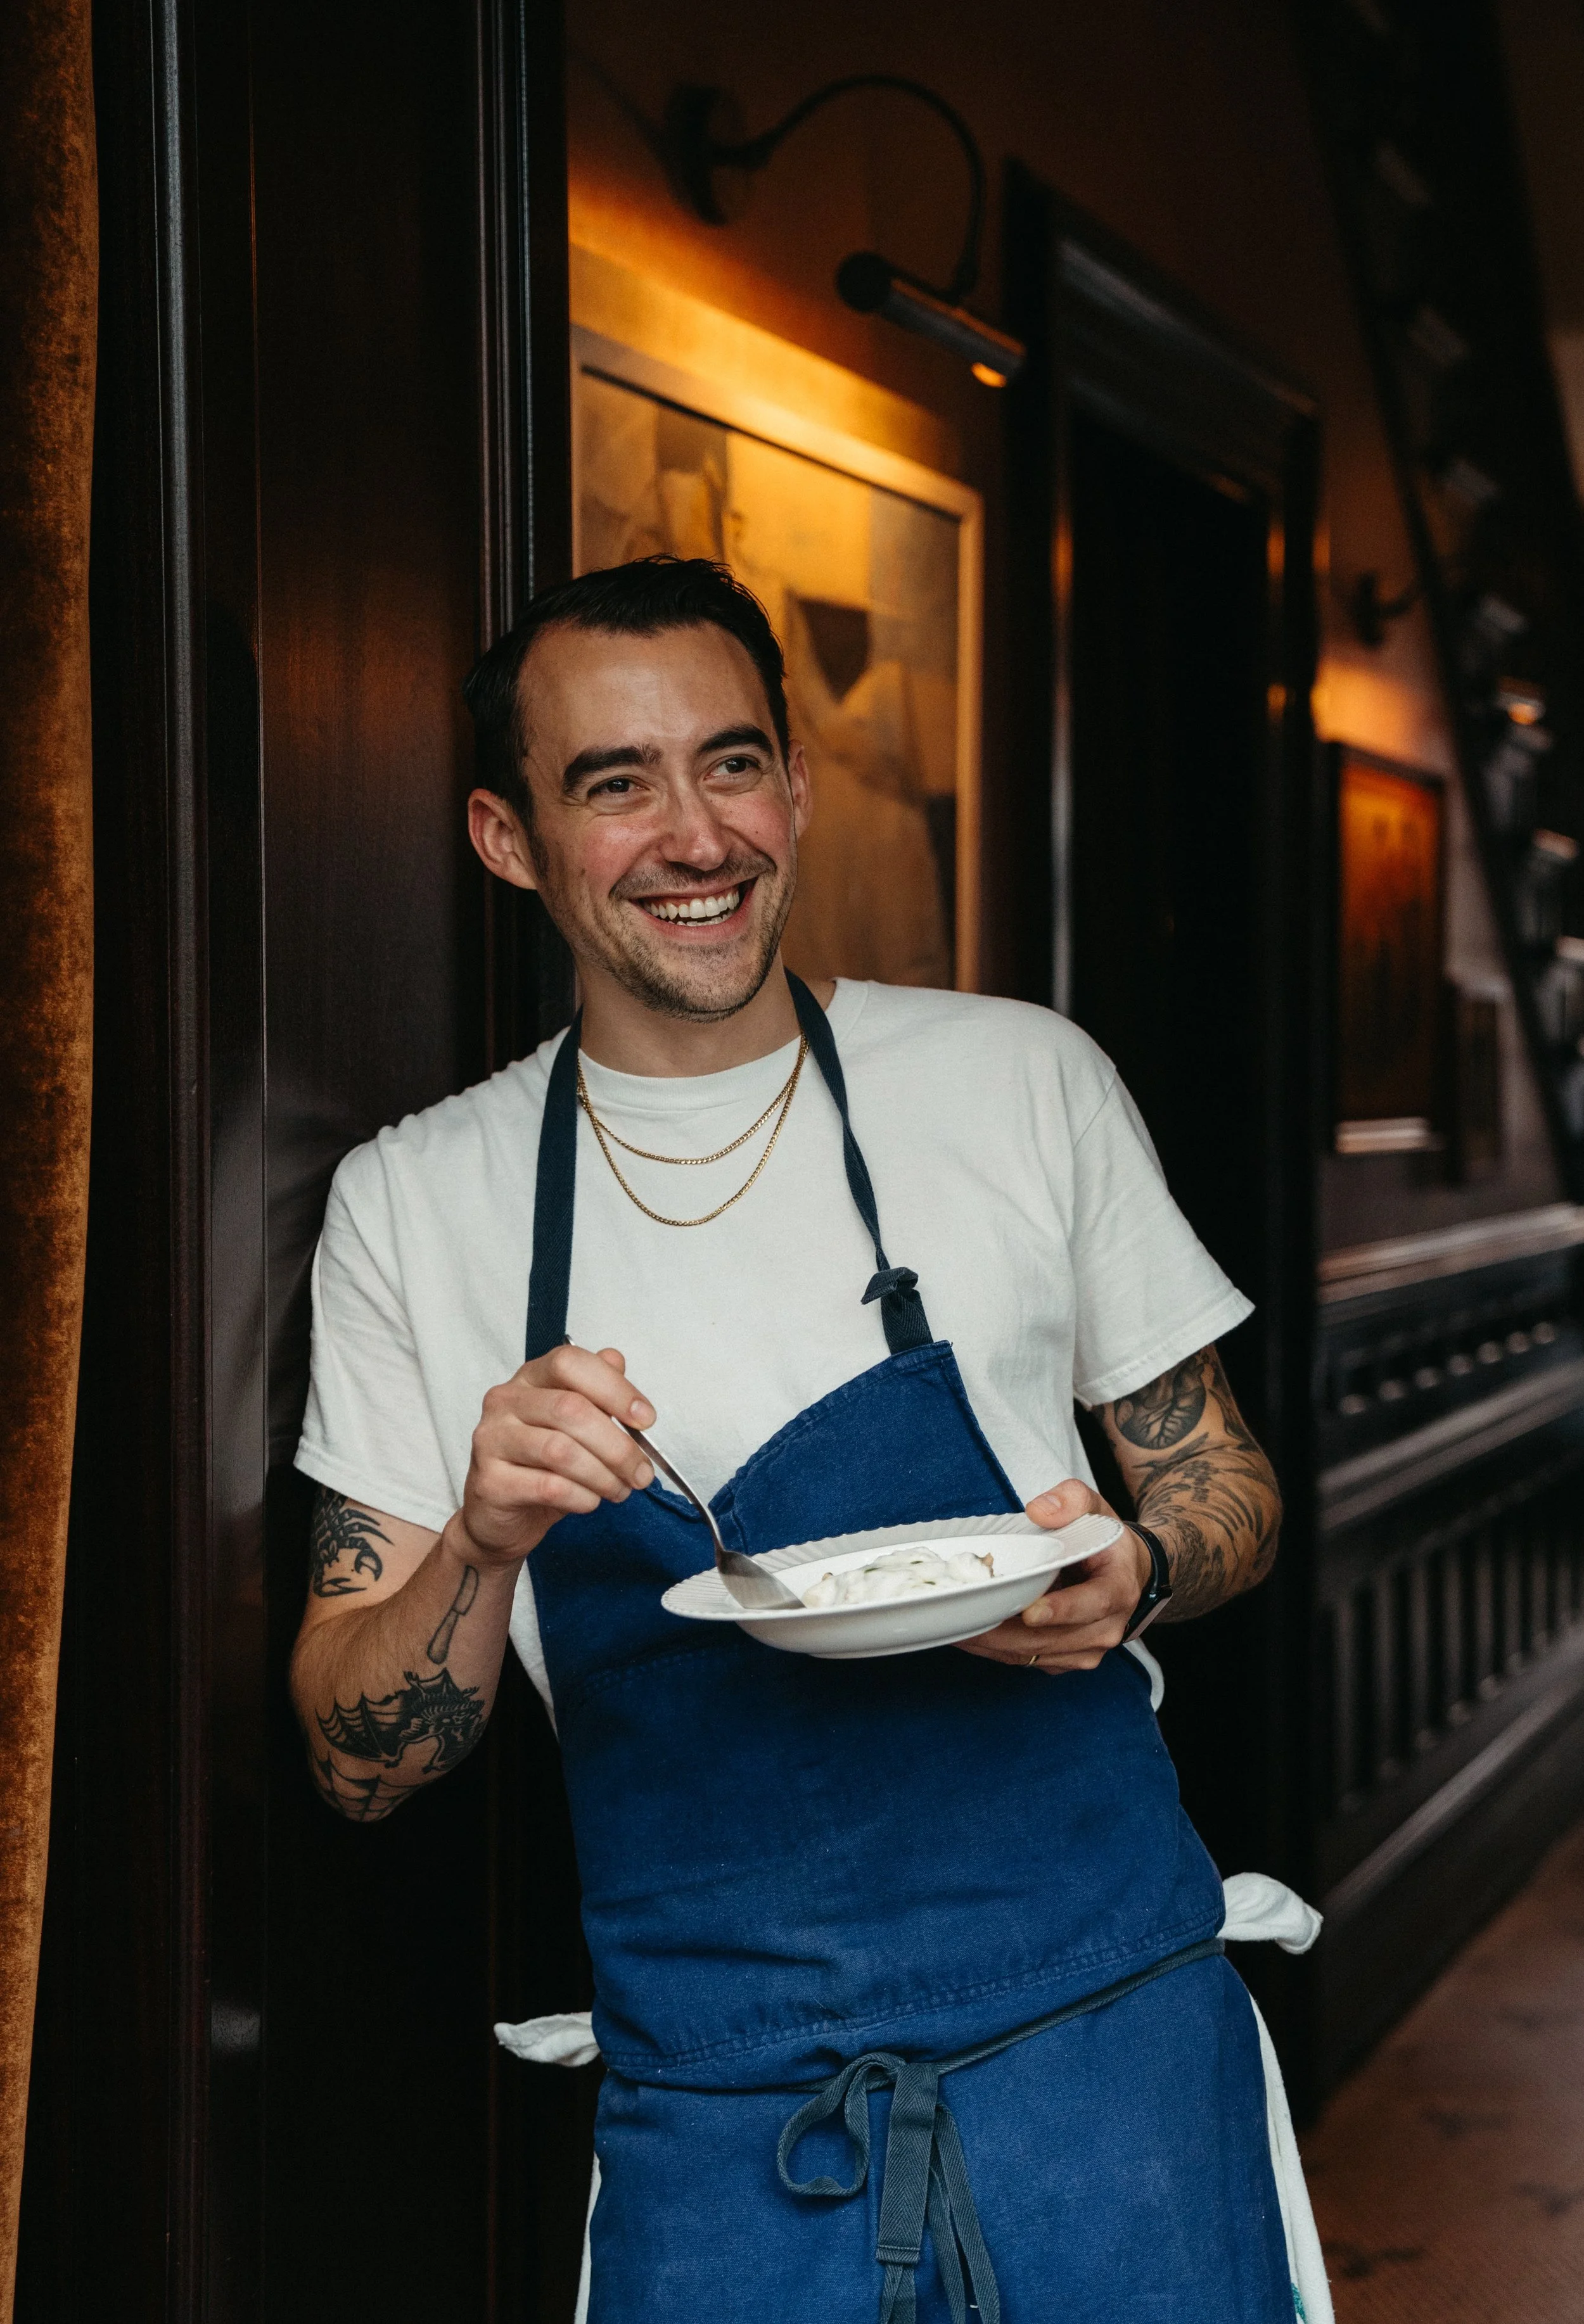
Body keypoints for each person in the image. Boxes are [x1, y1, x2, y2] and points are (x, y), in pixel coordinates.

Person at [290, 556, 1326, 2323]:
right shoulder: (415, 1202)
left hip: (1109, 2063)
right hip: (728, 2128)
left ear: (795, 783)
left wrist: (1134, 1569)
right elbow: (359, 1754)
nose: (695, 834)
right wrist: (478, 1535)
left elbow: (1223, 1486)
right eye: (613, 784)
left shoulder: (1020, 1079)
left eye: (733, 763)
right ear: (505, 835)